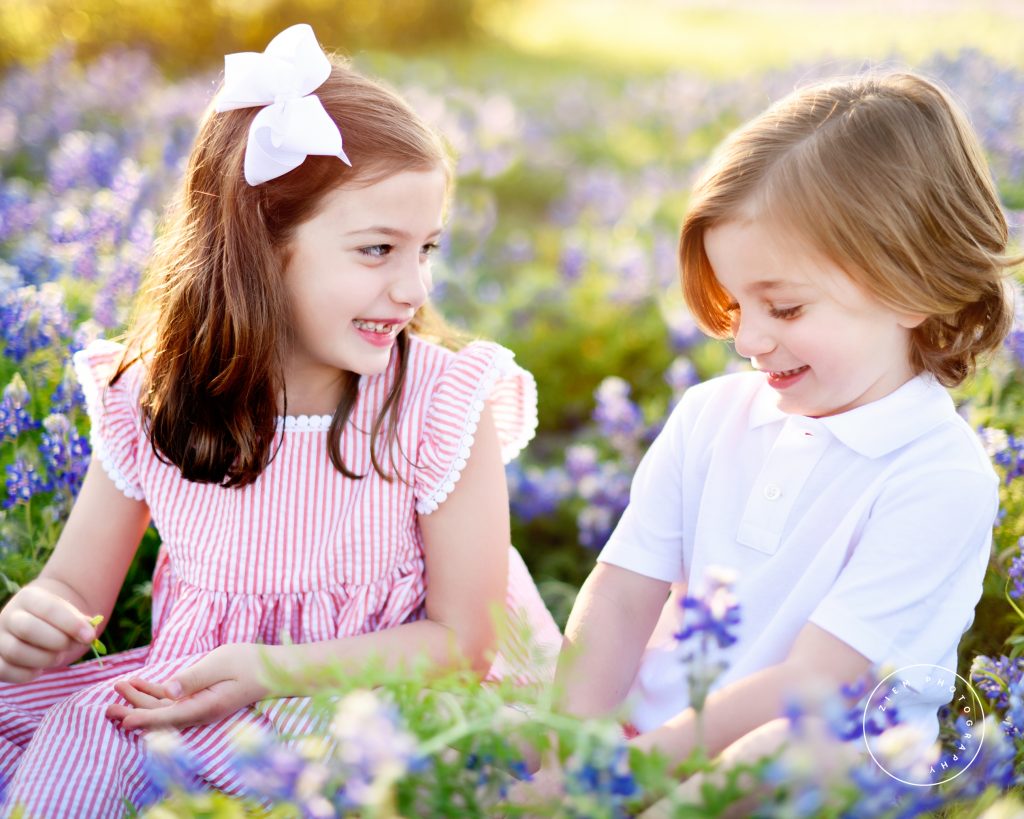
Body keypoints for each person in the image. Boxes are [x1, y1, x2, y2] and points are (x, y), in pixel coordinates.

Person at [0, 24, 559, 816]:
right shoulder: (151, 396)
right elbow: (74, 586)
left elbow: (461, 642)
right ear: (261, 246)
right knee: (69, 747)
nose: (413, 288)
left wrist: (275, 668)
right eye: (377, 250)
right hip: (194, 689)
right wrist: (33, 617)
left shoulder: (439, 402)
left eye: (425, 248)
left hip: (380, 697)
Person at [523, 70, 1018, 802]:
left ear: (912, 287)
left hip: (815, 765)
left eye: (783, 309)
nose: (748, 339)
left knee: (806, 745)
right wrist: (571, 747)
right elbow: (623, 594)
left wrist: (625, 779)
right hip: (646, 740)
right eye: (733, 305)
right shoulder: (708, 416)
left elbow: (817, 683)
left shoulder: (940, 477)